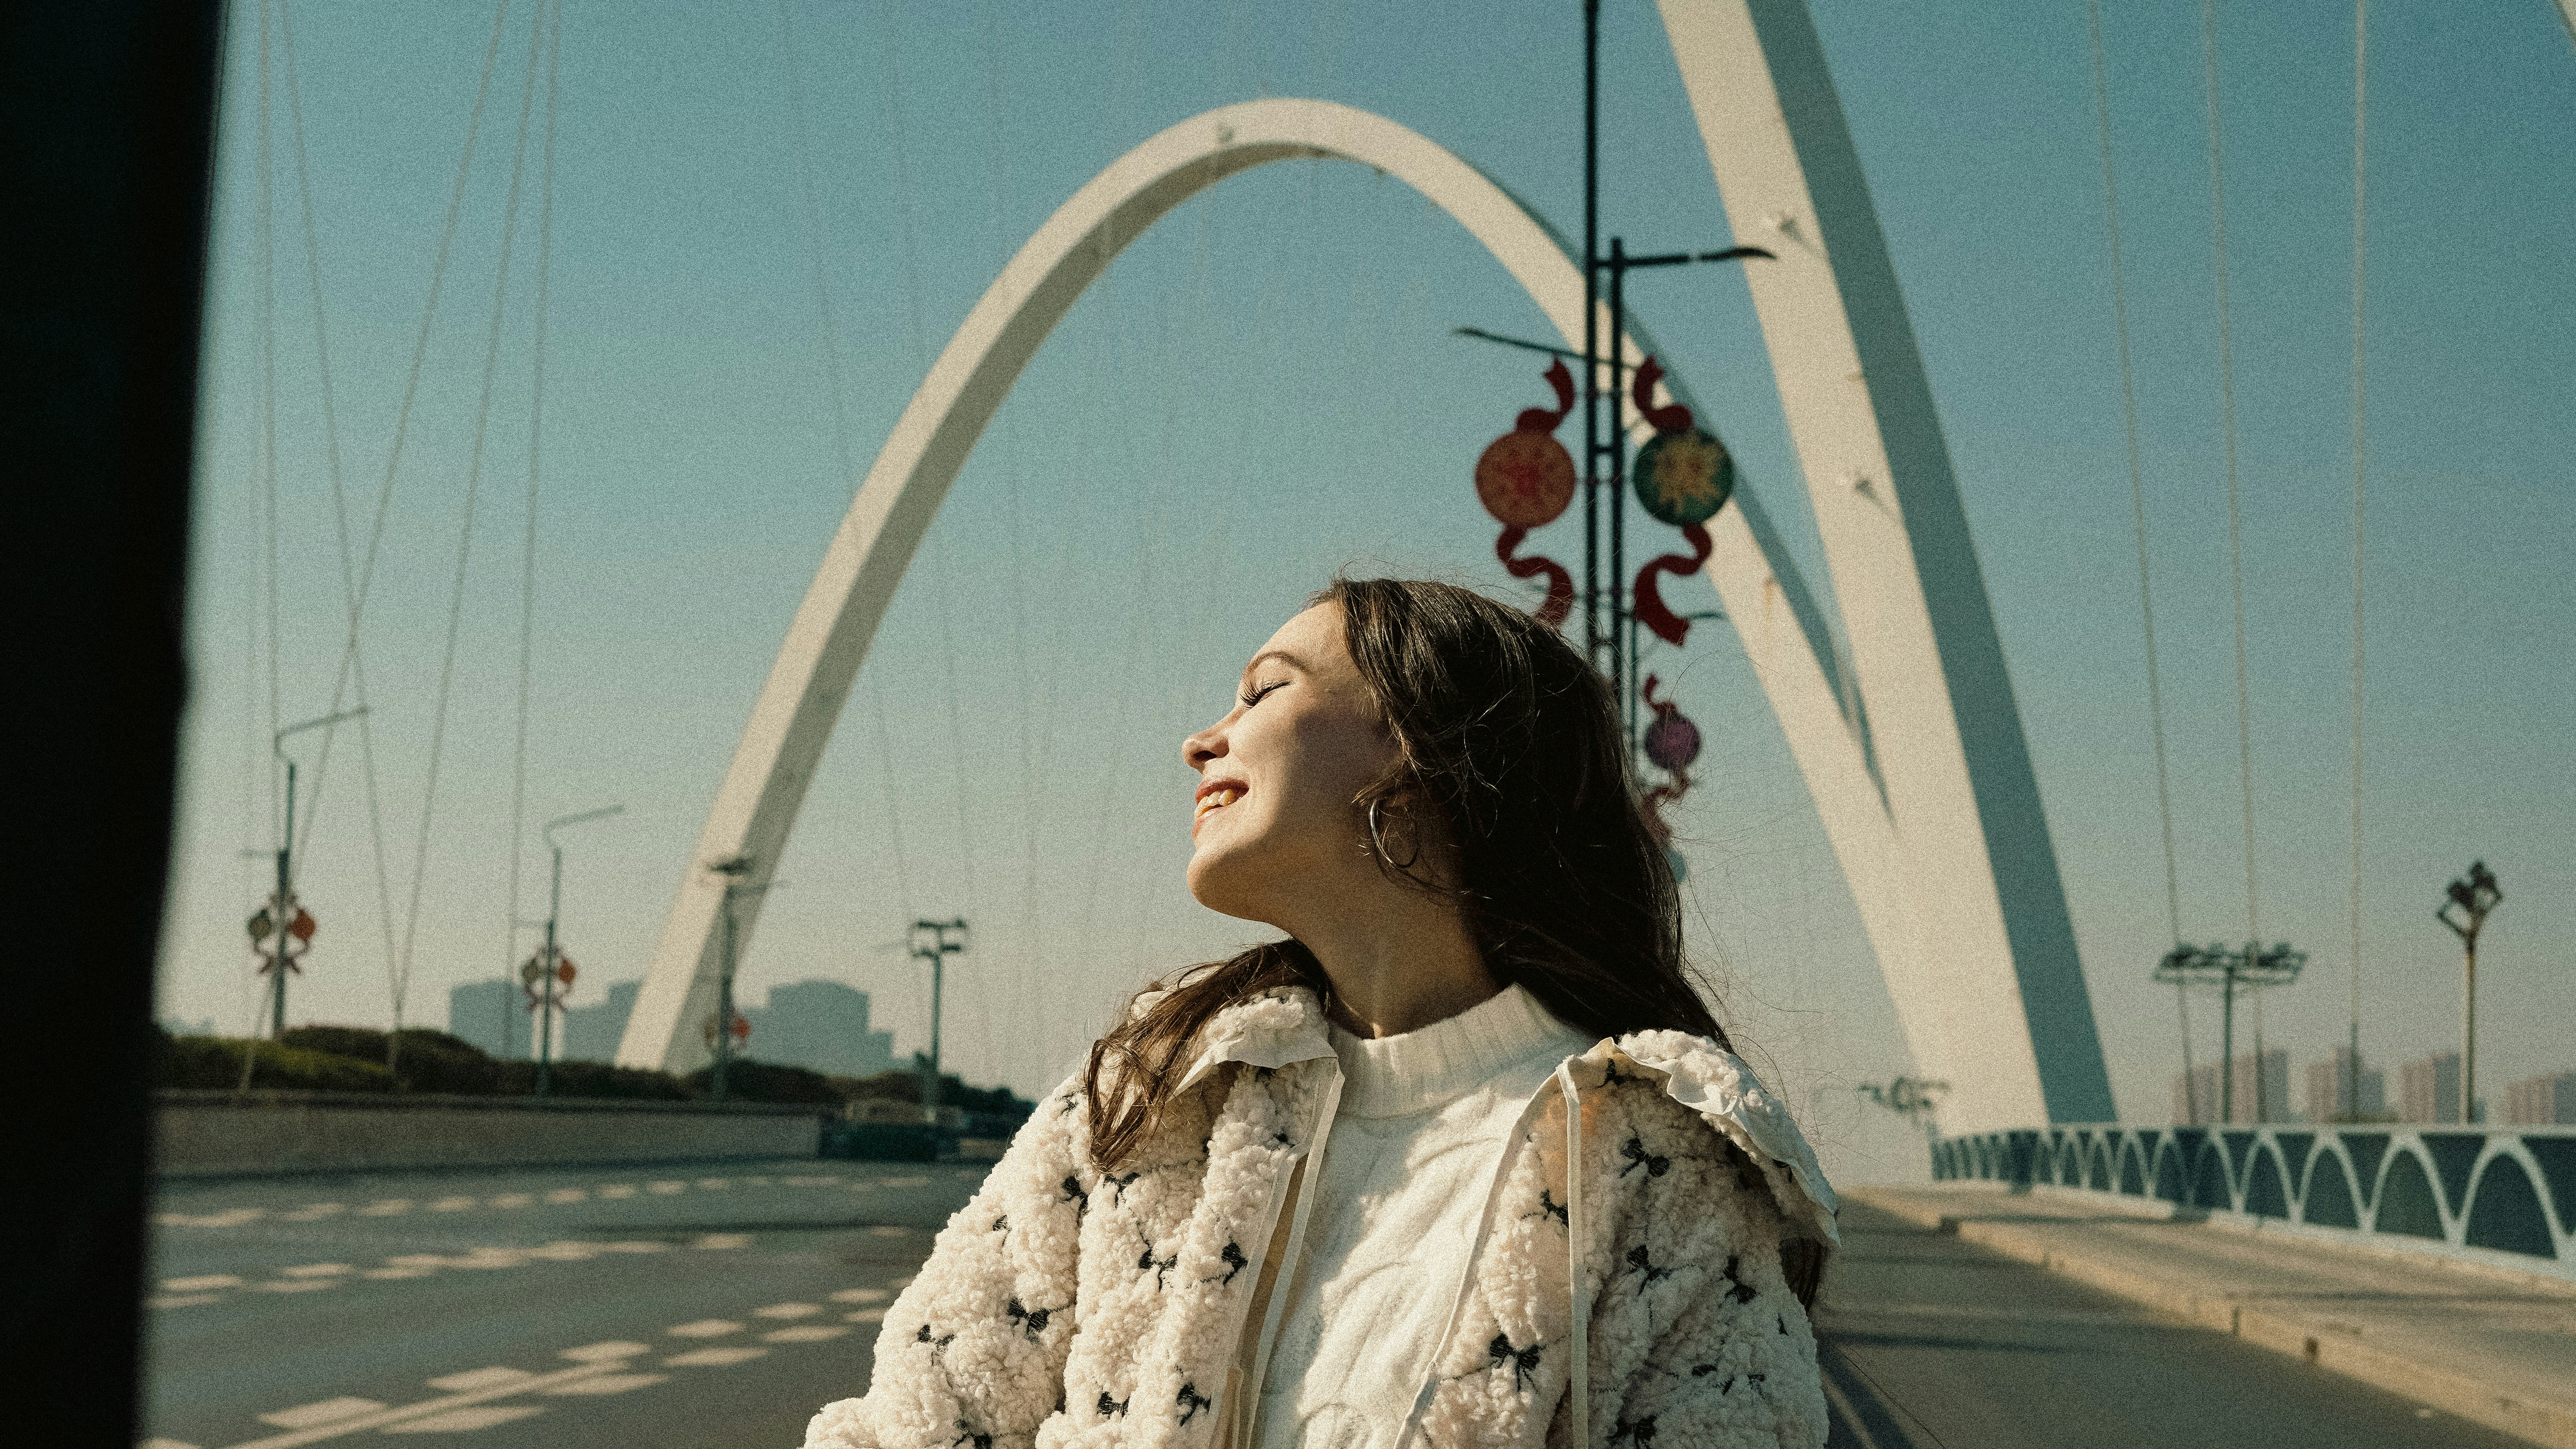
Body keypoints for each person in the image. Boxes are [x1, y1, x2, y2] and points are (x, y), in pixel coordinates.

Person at [806, 577, 1835, 1449]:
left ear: (1422, 750)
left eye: (1264, 691)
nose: (1200, 740)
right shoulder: (1154, 1091)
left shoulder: (1656, 1160)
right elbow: (914, 1421)